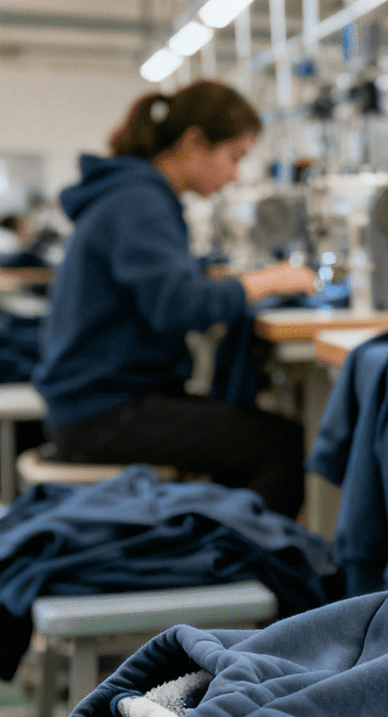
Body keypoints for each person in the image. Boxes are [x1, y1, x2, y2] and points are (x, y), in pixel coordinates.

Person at [32, 82, 316, 518]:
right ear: (194, 143)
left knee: (242, 432)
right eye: (234, 157)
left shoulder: (132, 193)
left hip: (90, 403)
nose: (235, 174)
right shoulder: (140, 200)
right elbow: (177, 306)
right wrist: (259, 283)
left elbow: (161, 289)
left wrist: (217, 279)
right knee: (281, 445)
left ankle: (221, 547)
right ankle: (234, 568)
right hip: (102, 414)